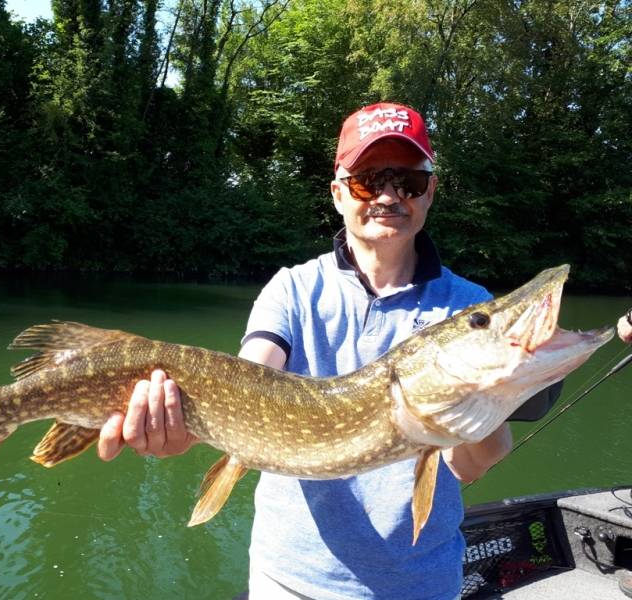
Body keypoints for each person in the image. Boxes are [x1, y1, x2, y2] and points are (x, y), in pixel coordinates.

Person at [96, 102, 559, 599]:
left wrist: (492, 404)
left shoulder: (468, 307)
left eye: (408, 181)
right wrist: (194, 427)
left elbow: (469, 466)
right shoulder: (292, 289)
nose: (388, 195)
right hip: (288, 581)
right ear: (339, 193)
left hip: (418, 584)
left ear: (430, 193)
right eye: (368, 180)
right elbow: (251, 379)